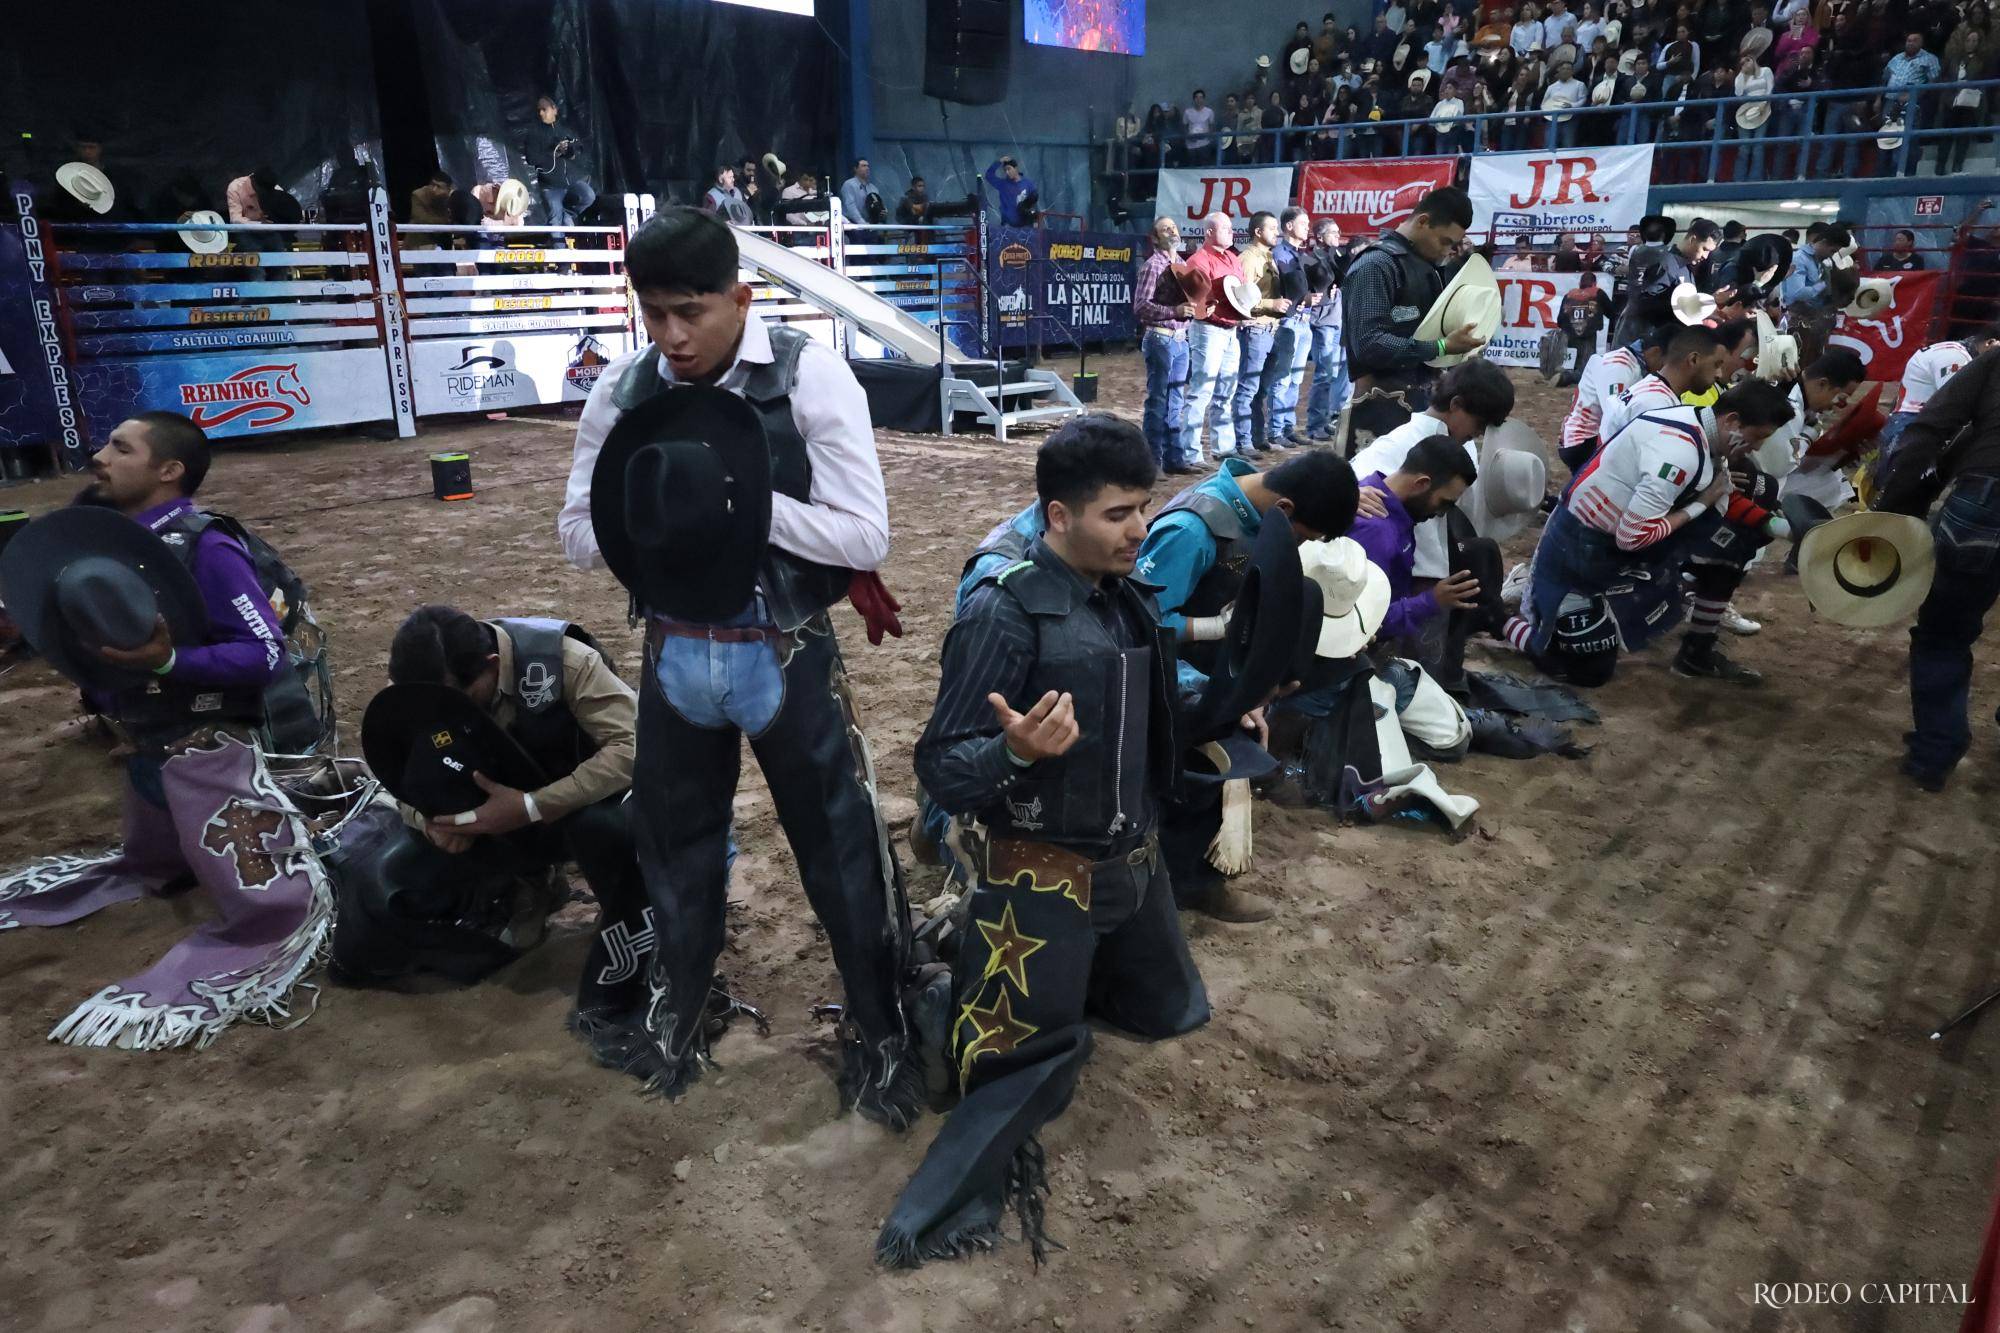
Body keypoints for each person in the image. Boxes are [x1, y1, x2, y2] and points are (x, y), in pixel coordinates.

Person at [556, 208, 917, 1122]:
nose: (671, 336)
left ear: (740, 298)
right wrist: (651, 505)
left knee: (839, 851)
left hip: (782, 648)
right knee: (673, 850)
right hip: (676, 648)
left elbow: (866, 533)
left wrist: (735, 505)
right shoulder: (627, 389)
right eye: (653, 313)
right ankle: (678, 1011)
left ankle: (879, 1031)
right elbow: (573, 533)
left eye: (690, 311)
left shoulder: (809, 373)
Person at [881, 416, 1209, 1267]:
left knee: (1174, 1012)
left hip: (1131, 869)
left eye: (1144, 507)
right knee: (1034, 1070)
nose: (1141, 530)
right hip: (1043, 876)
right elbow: (943, 768)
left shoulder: (1124, 595)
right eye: (1117, 514)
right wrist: (1014, 749)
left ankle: (1026, 975)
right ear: (1057, 516)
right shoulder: (1004, 609)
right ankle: (941, 987)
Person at [0, 412, 326, 1050]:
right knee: (156, 855)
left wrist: (171, 663)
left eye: (121, 449)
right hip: (148, 739)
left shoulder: (206, 545)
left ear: (169, 471)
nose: (100, 457)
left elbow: (266, 654)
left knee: (269, 907)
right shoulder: (106, 540)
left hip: (204, 741)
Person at [336, 608, 661, 1078]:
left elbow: (637, 747)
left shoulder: (564, 661)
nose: (439, 713)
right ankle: (520, 890)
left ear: (491, 665)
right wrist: (432, 823)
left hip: (576, 814)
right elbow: (396, 775)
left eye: (459, 699)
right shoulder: (416, 691)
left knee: (608, 830)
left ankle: (619, 918)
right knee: (382, 886)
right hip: (484, 824)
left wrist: (532, 806)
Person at [1502, 379, 1797, 684]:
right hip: (1581, 552)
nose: (1759, 446)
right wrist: (1700, 504)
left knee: (1738, 540)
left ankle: (1697, 650)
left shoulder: (1698, 425)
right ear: (1732, 421)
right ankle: (1498, 619)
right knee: (1582, 668)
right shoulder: (1680, 453)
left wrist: (1780, 527)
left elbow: (1721, 493)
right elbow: (1633, 537)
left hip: (1610, 542)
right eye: (1758, 436)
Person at [1873, 346, 2000, 790]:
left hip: (1987, 497)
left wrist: (1892, 513)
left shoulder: (1994, 361)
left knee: (1944, 635)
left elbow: (1930, 427)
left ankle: (1936, 749)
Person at [1341, 186, 1483, 452]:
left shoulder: (1425, 266)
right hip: (1379, 408)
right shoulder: (1377, 265)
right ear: (1423, 221)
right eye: (1445, 242)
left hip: (1420, 402)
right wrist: (1441, 347)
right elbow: (1369, 344)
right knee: (1377, 489)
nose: (1447, 252)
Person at [1348, 434, 1485, 648]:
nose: (1442, 513)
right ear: (1422, 483)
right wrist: (1431, 601)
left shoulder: (1377, 498)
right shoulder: (1376, 532)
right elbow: (1358, 623)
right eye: (1445, 503)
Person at [1180, 212, 1247, 466]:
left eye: (1231, 228)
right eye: (1226, 228)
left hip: (1230, 330)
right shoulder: (1199, 260)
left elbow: (1241, 291)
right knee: (1202, 390)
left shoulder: (1232, 258)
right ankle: (1191, 453)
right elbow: (1195, 299)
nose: (1232, 232)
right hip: (1208, 329)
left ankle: (1224, 447)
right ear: (1209, 232)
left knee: (1226, 390)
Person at [1133, 217, 1198, 472]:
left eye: (1174, 227)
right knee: (1159, 400)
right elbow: (1140, 306)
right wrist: (1175, 310)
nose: (1172, 231)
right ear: (1155, 238)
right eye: (1165, 229)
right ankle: (1152, 462)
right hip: (1161, 337)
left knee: (1175, 399)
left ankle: (1174, 459)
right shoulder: (1153, 266)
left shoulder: (1181, 264)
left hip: (1180, 339)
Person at [1879, 326, 2000, 463]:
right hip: (1911, 424)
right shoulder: (1955, 357)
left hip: (1916, 423)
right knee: (1897, 481)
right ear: (1990, 343)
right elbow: (1958, 402)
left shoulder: (1960, 353)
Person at [1233, 211, 1296, 455]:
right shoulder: (1248, 259)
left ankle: (1258, 438)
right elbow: (1241, 299)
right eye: (1271, 228)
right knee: (1249, 387)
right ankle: (1244, 441)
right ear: (1257, 232)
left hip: (1271, 328)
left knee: (1261, 389)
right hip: (1256, 328)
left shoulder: (1268, 257)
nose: (1277, 232)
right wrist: (1272, 305)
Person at [1614, 217, 1721, 343]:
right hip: (1640, 342)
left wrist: (1701, 308)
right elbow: (1642, 303)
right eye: (1704, 249)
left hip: (1658, 343)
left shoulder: (1684, 268)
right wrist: (1684, 305)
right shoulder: (1665, 262)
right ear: (1692, 240)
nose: (1705, 256)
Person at [1266, 207, 1319, 448]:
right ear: (1288, 226)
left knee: (1295, 378)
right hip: (1289, 319)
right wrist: (1305, 297)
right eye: (1303, 223)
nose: (1307, 227)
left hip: (1304, 320)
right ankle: (1276, 430)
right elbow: (1285, 286)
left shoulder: (1301, 254)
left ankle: (1287, 426)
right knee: (1283, 378)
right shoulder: (1281, 253)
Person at [1304, 218, 1351, 445]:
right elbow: (1311, 290)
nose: (1337, 235)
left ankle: (1323, 421)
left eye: (1338, 231)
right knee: (1323, 375)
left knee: (1331, 374)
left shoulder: (1336, 256)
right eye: (1332, 232)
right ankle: (1315, 425)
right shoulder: (1311, 257)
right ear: (1320, 237)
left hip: (1336, 320)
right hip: (1322, 322)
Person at [526, 96, 595, 226]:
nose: (541, 113)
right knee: (555, 219)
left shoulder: (564, 130)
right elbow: (531, 158)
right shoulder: (534, 133)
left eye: (544, 109)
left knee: (588, 195)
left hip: (570, 181)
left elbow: (578, 148)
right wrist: (553, 152)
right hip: (550, 185)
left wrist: (569, 149)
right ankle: (559, 246)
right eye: (539, 110)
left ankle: (568, 213)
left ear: (554, 110)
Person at [984, 157, 1038, 227]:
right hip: (1008, 227)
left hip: (1026, 227)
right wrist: (999, 161)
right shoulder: (1003, 184)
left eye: (1009, 169)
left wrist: (1035, 225)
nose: (1007, 172)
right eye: (1005, 170)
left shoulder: (1028, 184)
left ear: (1016, 168)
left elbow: (1034, 204)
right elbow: (989, 176)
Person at [840, 158, 884, 224]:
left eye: (868, 166)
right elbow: (851, 207)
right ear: (855, 169)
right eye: (864, 166)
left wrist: (882, 212)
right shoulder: (849, 185)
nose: (867, 168)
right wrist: (863, 224)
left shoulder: (873, 188)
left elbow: (878, 205)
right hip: (852, 225)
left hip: (870, 225)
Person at [1183, 89, 1218, 158]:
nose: (1199, 99)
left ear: (1204, 99)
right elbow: (1184, 126)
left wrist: (1208, 136)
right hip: (1191, 145)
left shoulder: (1209, 111)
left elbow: (1212, 126)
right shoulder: (1187, 112)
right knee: (1192, 166)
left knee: (1204, 165)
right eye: (1196, 97)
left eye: (1201, 97)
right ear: (1193, 99)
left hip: (1205, 143)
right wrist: (1189, 137)